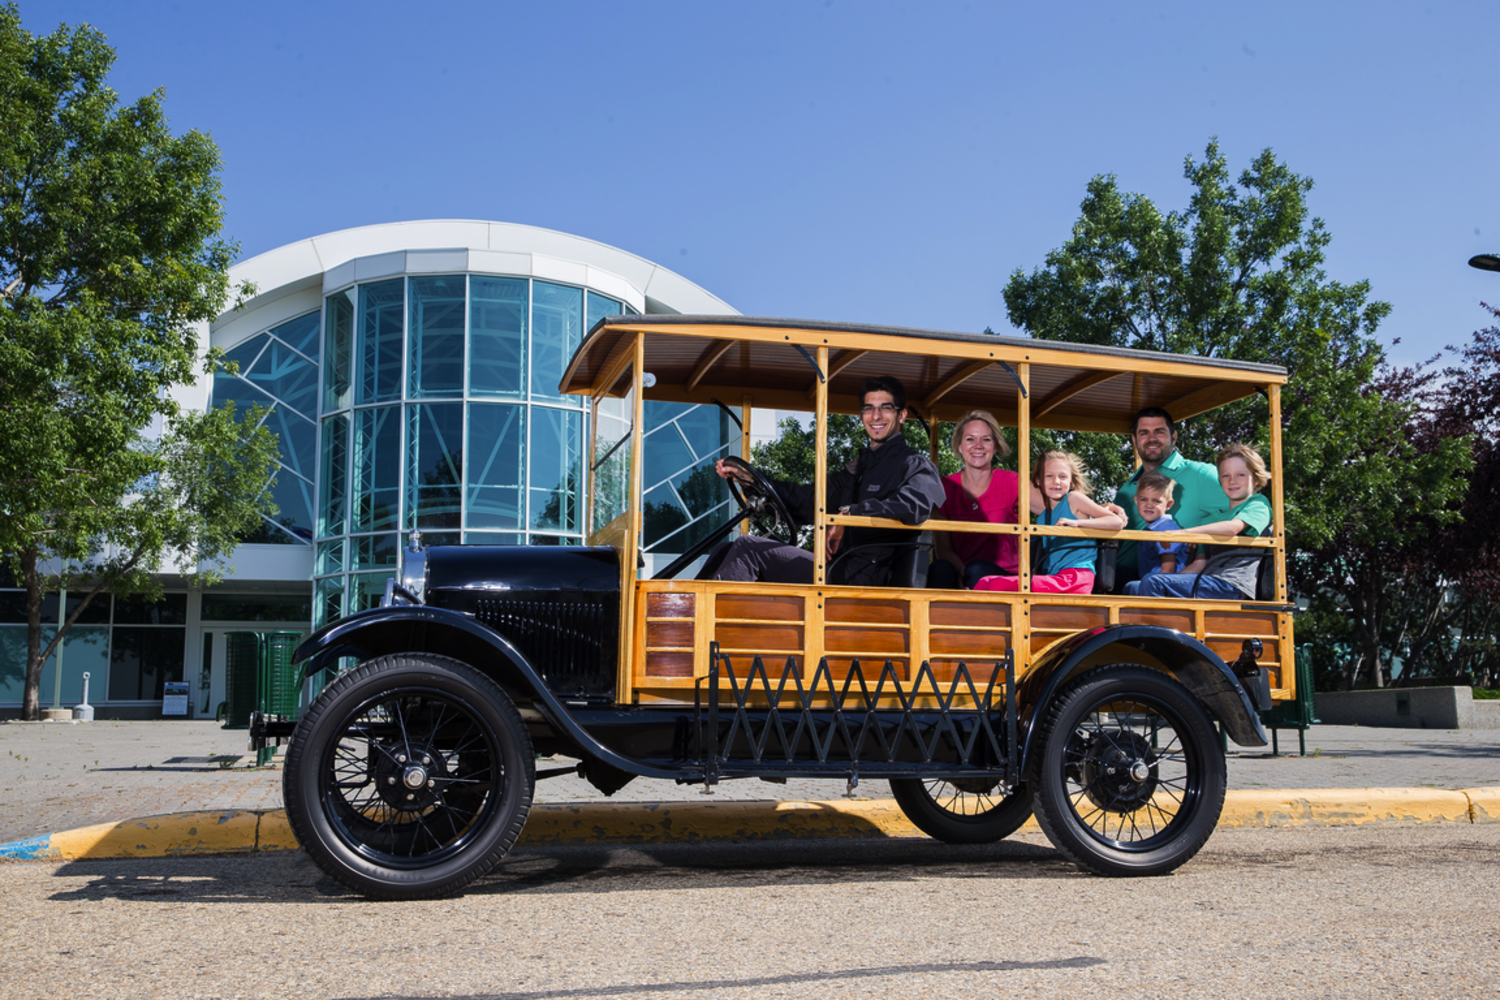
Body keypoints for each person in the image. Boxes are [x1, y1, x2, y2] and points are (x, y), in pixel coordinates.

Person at [696, 376, 945, 587]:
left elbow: (914, 506)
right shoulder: (858, 468)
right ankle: (677, 621)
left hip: (865, 577)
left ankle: (706, 637)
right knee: (726, 549)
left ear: (901, 415)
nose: (875, 415)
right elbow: (806, 500)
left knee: (747, 548)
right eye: (869, 408)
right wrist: (751, 482)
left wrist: (850, 515)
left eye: (885, 408)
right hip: (836, 568)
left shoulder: (914, 465)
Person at [1134, 443, 1272, 601]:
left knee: (1153, 583)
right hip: (1206, 581)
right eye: (1226, 475)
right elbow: (1199, 564)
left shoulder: (1258, 504)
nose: (1232, 481)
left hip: (1232, 585)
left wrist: (1182, 534)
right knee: (1136, 586)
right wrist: (1172, 581)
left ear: (1255, 479)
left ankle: (1155, 625)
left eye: (1240, 475)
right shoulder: (1212, 519)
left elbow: (1233, 528)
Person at [974, 451, 1125, 594]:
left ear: (1071, 480)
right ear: (1038, 480)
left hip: (1075, 578)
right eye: (1049, 476)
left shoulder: (1074, 499)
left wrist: (1078, 523)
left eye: (1063, 477)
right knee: (987, 582)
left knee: (990, 583)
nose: (1056, 482)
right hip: (1056, 577)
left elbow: (1115, 521)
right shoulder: (1044, 516)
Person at [1111, 407, 1227, 590]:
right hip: (1126, 574)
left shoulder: (1201, 474)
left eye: (1159, 432)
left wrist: (1200, 546)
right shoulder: (1127, 489)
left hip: (1169, 577)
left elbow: (1237, 513)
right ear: (1134, 440)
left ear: (1173, 437)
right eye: (1144, 433)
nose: (1152, 439)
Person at [927, 410, 1019, 590]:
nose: (978, 445)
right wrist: (962, 571)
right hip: (962, 569)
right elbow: (943, 548)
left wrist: (1081, 510)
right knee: (938, 568)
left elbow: (1051, 505)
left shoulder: (1012, 482)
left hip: (1004, 575)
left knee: (977, 570)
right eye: (970, 439)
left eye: (986, 439)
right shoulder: (944, 488)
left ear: (996, 446)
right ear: (960, 446)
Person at [1122, 470, 1189, 595]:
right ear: (1136, 500)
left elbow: (1168, 568)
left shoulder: (1165, 529)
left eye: (1156, 501)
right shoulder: (1152, 528)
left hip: (1167, 584)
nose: (1149, 505)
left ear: (1168, 504)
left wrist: (1152, 586)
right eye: (1144, 500)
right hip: (1153, 579)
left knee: (1132, 587)